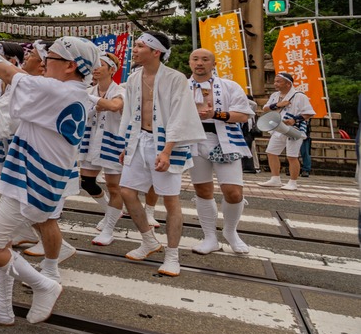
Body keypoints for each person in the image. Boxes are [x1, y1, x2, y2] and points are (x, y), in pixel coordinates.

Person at [0, 36, 100, 326]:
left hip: (30, 183)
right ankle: (2, 307)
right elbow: (17, 80)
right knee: (1, 242)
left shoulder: (57, 91)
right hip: (33, 181)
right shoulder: (73, 92)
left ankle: (43, 284)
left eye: (52, 58)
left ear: (71, 66)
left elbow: (13, 75)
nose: (45, 62)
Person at [117, 32, 204, 277]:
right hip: (139, 140)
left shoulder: (176, 79)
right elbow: (130, 114)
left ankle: (172, 255)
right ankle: (148, 241)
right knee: (127, 191)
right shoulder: (134, 77)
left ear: (156, 52)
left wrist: (167, 151)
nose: (135, 50)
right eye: (135, 45)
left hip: (167, 143)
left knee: (170, 199)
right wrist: (127, 145)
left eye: (140, 46)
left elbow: (180, 115)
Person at [185, 48, 255, 255]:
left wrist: (216, 114)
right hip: (194, 140)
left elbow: (243, 115)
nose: (200, 63)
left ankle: (231, 232)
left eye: (205, 59)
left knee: (233, 192)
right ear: (190, 63)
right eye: (195, 59)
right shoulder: (181, 87)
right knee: (202, 190)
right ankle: (209, 237)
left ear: (213, 64)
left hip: (225, 140)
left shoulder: (229, 86)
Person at [82, 53, 126, 246]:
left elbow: (114, 106)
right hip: (91, 141)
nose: (96, 68)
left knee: (114, 187)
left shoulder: (120, 91)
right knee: (87, 182)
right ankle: (111, 212)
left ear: (112, 70)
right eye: (94, 65)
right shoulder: (90, 90)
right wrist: (94, 102)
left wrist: (90, 98)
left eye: (100, 65)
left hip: (113, 143)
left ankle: (109, 229)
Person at [259, 72, 316, 191]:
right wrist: (278, 104)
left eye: (278, 81)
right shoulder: (275, 95)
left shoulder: (299, 96)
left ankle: (293, 182)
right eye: (275, 81)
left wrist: (294, 119)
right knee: (271, 152)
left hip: (294, 129)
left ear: (288, 84)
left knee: (292, 156)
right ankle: (275, 179)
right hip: (278, 128)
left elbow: (309, 113)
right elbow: (265, 108)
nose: (275, 84)